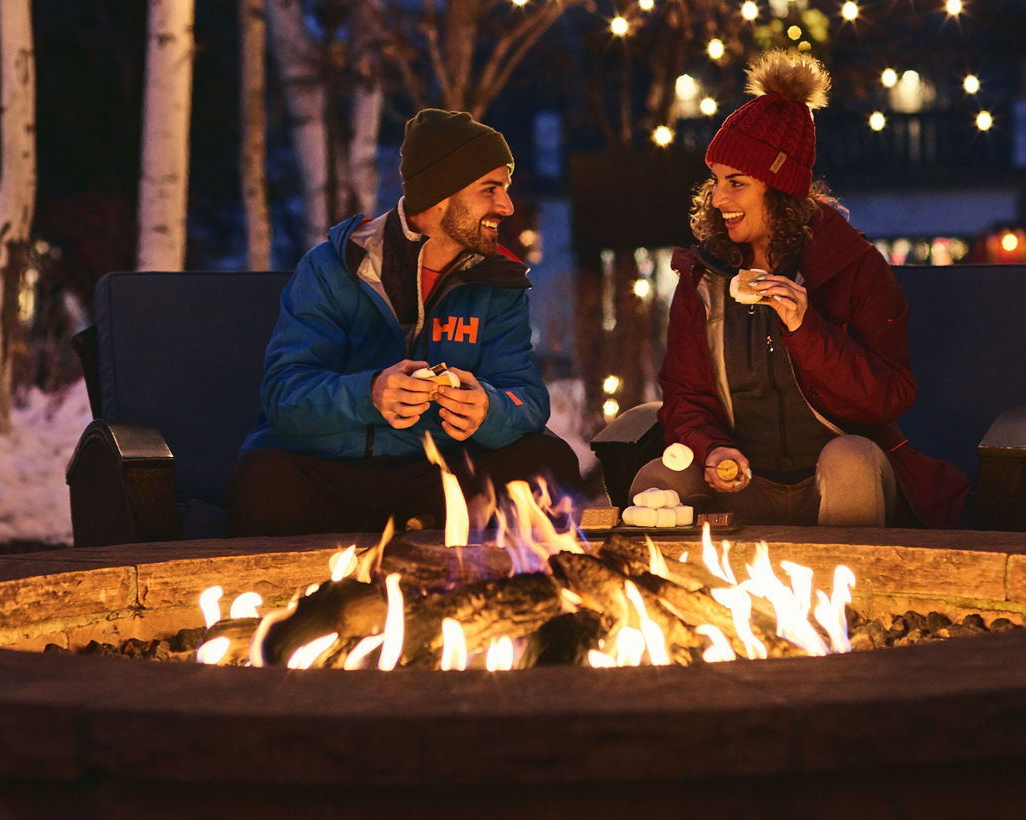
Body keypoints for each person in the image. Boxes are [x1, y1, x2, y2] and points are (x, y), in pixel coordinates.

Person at [627, 50, 969, 528]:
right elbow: (685, 395)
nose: (719, 198)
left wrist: (807, 329)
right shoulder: (703, 279)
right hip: (747, 485)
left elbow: (888, 398)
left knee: (850, 459)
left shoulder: (853, 268)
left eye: (737, 183)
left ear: (780, 187)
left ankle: (853, 602)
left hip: (839, 478)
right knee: (655, 481)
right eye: (716, 181)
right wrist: (712, 448)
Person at [227, 108, 580, 535]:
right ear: (439, 194)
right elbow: (283, 396)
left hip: (438, 472)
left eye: (504, 189)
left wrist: (489, 408)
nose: (506, 206)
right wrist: (370, 392)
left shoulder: (497, 282)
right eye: (490, 189)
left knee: (550, 461)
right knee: (263, 479)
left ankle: (446, 546)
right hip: (333, 471)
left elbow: (528, 398)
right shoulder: (333, 267)